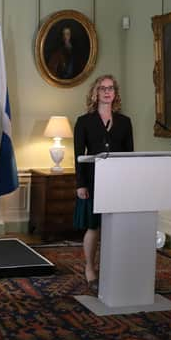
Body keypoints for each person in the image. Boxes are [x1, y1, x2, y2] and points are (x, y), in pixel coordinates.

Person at [73, 75, 134, 289]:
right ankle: (90, 267)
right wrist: (80, 184)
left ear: (115, 93)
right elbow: (78, 154)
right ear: (95, 93)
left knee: (114, 227)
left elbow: (129, 156)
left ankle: (111, 268)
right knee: (93, 226)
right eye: (102, 88)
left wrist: (128, 183)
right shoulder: (84, 121)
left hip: (117, 182)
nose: (107, 92)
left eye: (111, 88)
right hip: (92, 181)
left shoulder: (125, 122)